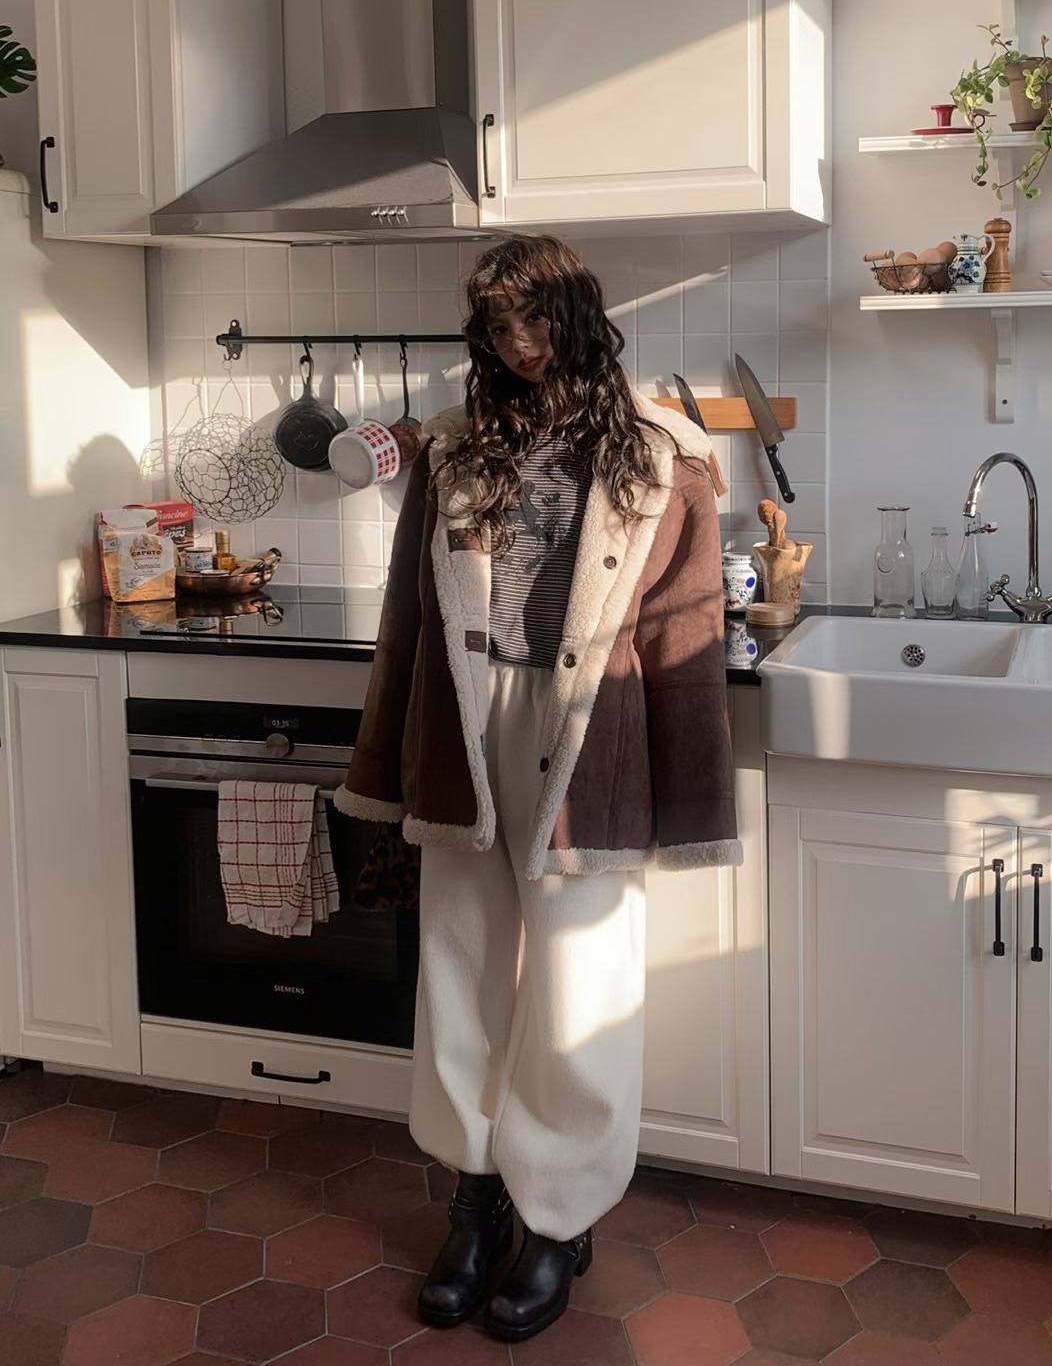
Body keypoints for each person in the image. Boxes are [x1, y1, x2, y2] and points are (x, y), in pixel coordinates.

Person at [335, 234, 740, 1342]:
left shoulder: (665, 458)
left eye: (534, 319)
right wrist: (386, 765)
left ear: (579, 314)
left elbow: (687, 639)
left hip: (590, 733)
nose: (519, 344)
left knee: (578, 988)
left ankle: (559, 1218)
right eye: (498, 328)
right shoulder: (454, 448)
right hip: (468, 727)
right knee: (459, 970)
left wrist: (693, 804)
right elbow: (408, 620)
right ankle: (475, 1201)